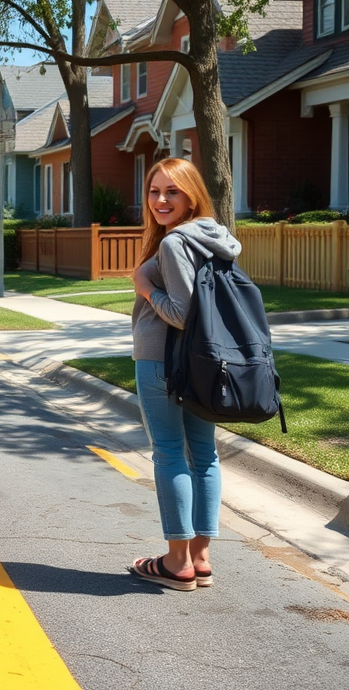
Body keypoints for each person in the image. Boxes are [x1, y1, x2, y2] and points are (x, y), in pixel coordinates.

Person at [129, 158, 242, 591]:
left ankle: (177, 562)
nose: (160, 200)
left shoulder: (176, 243)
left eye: (171, 192)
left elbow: (181, 313)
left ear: (192, 194)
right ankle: (201, 556)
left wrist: (145, 287)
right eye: (154, 191)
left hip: (163, 359)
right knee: (204, 454)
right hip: (205, 363)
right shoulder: (218, 238)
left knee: (170, 454)